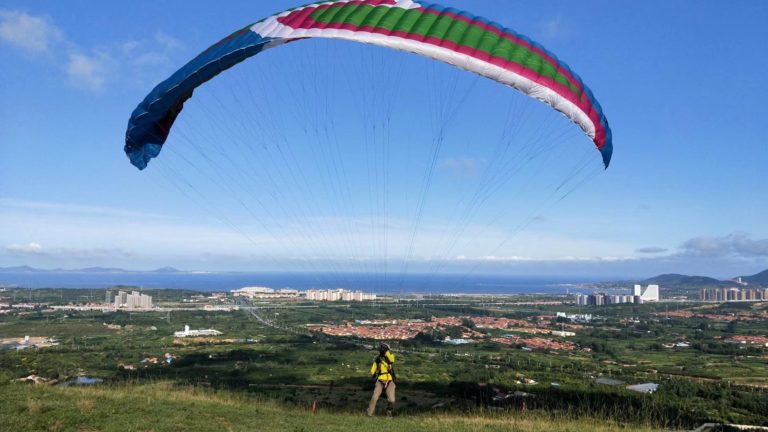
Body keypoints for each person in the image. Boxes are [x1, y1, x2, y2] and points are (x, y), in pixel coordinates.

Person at [367, 342, 396, 416]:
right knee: (374, 397)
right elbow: (372, 371)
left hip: (389, 380)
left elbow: (391, 360)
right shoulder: (377, 360)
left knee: (392, 400)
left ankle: (389, 411)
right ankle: (369, 413)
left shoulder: (390, 357)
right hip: (380, 380)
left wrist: (386, 352)